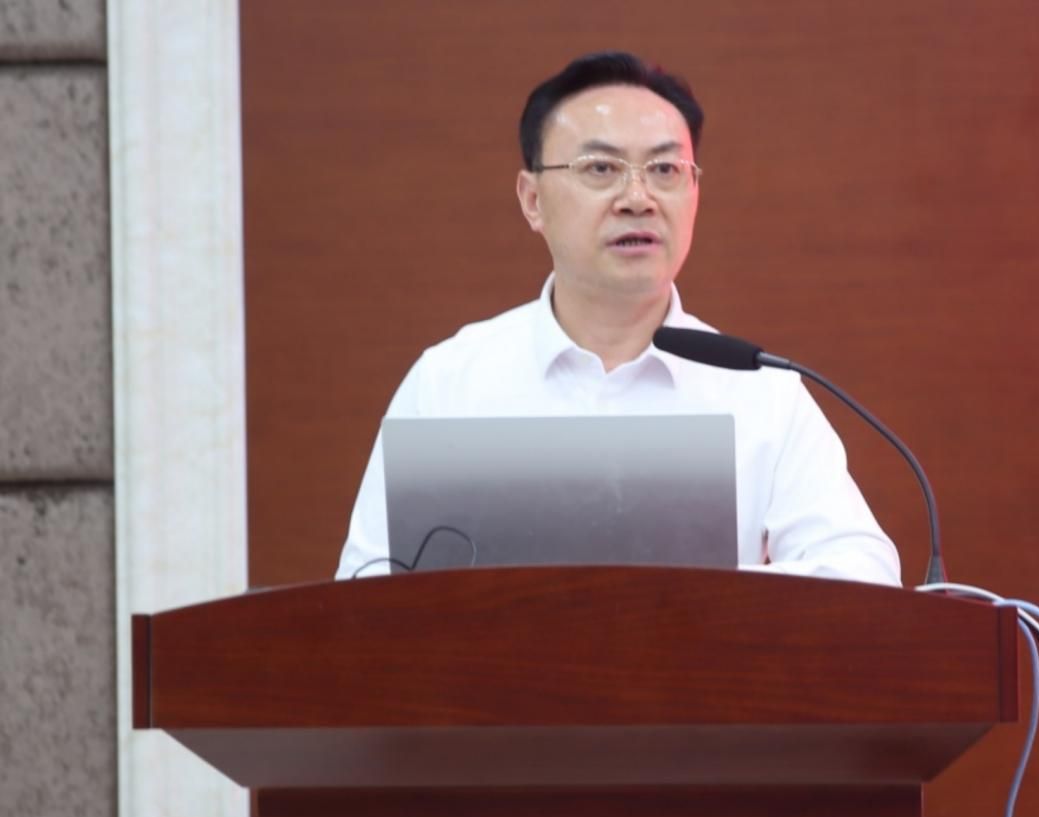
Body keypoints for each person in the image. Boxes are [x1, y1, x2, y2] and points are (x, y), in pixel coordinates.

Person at [335, 51, 900, 586]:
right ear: (532, 200)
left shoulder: (758, 391)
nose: (638, 197)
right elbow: (365, 591)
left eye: (665, 169)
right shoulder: (451, 382)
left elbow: (863, 572)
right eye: (601, 167)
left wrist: (699, 601)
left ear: (695, 191)